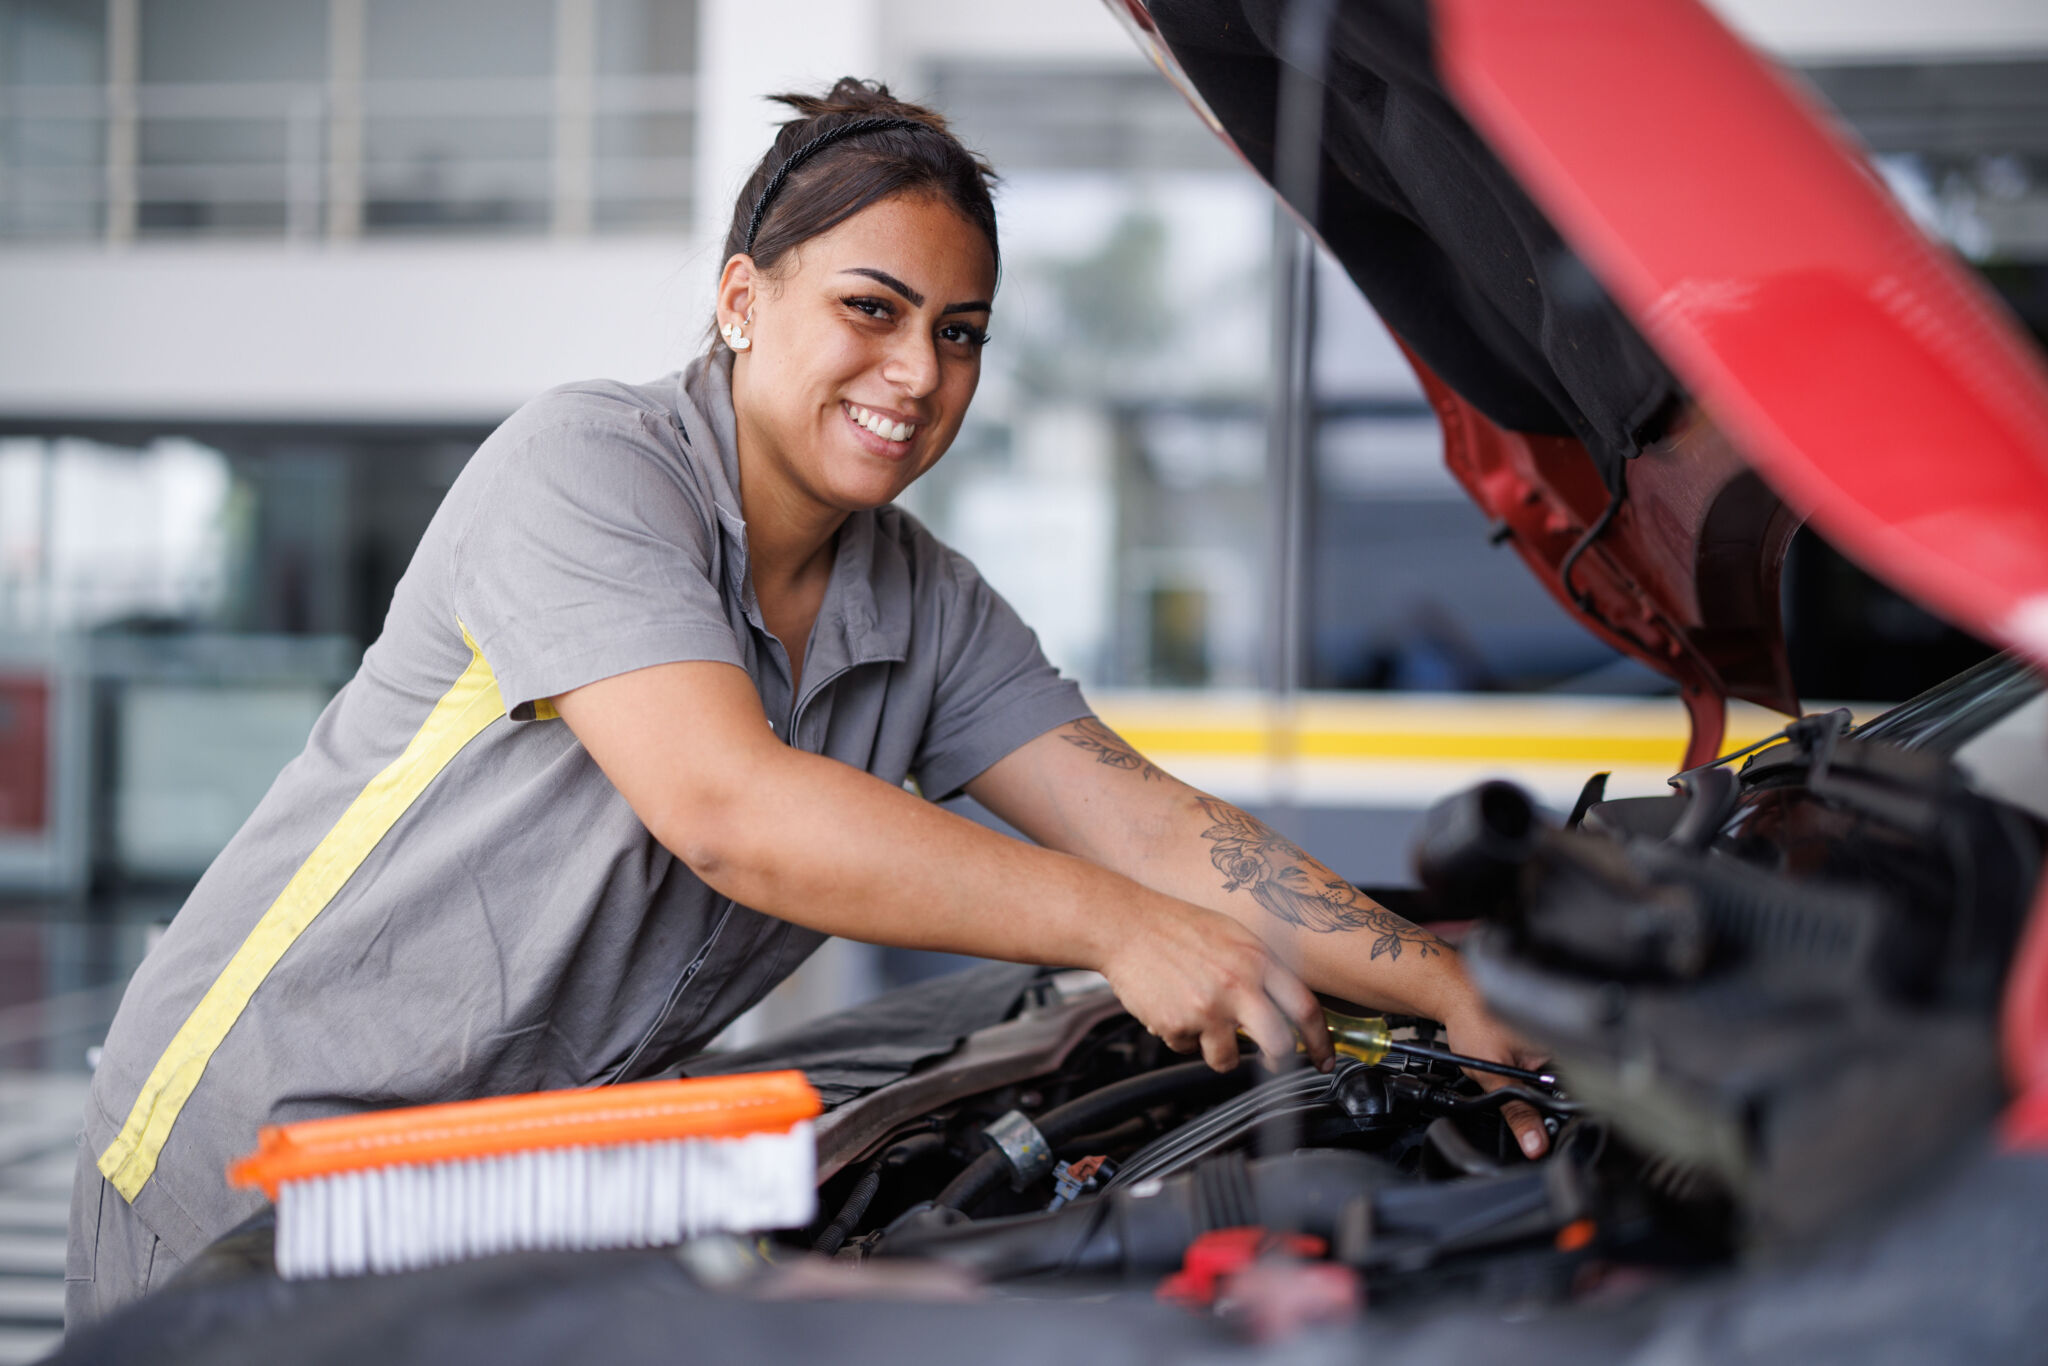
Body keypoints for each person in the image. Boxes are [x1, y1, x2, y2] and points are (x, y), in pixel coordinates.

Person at [66, 79, 1546, 1329]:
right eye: (871, 308)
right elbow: (734, 812)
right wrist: (1112, 926)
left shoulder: (922, 601)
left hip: (510, 1172)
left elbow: (1148, 824)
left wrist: (1442, 984)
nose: (917, 372)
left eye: (959, 332)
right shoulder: (588, 467)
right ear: (738, 298)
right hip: (248, 1155)